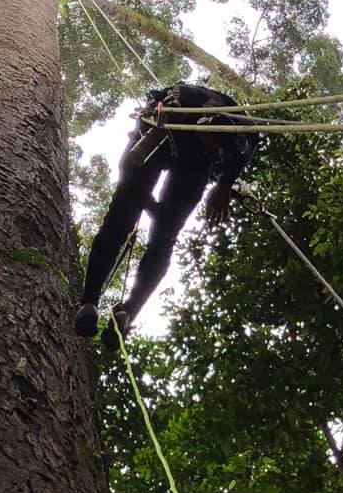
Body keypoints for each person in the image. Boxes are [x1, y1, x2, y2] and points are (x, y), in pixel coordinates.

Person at [73, 82, 259, 337]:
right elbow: (131, 169)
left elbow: (129, 173)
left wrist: (224, 184)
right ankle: (103, 305)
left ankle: (94, 302)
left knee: (126, 222)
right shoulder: (187, 107)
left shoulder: (234, 135)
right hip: (168, 133)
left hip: (187, 153)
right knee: (155, 235)